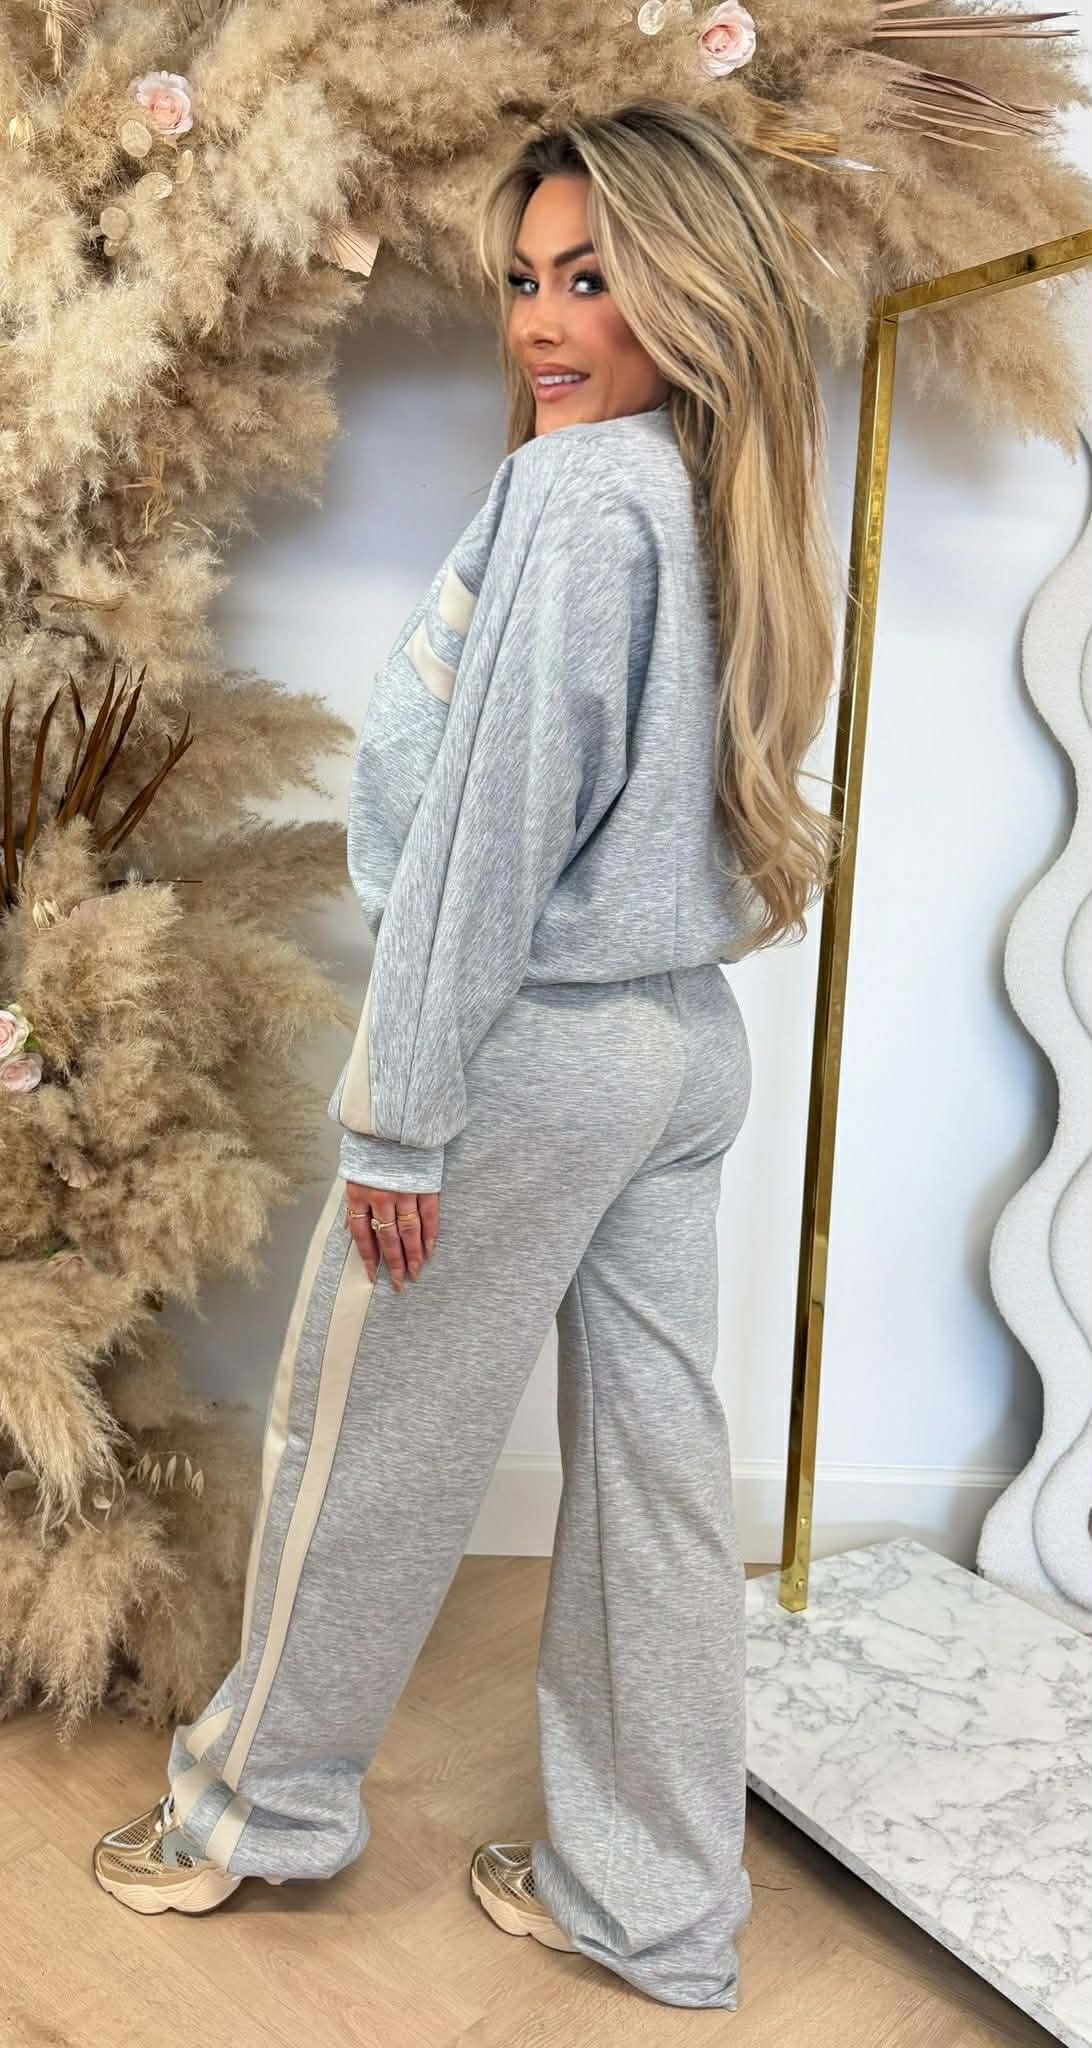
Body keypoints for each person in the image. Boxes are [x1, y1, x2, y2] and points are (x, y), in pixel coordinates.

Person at [91, 96, 841, 2011]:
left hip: (527, 1053)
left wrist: (403, 1123)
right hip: (682, 1050)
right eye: (524, 280)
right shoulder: (725, 492)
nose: (541, 322)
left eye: (591, 278)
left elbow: (487, 847)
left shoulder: (580, 501)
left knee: (363, 1443)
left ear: (690, 284)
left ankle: (252, 1814)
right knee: (662, 1486)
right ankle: (656, 1908)